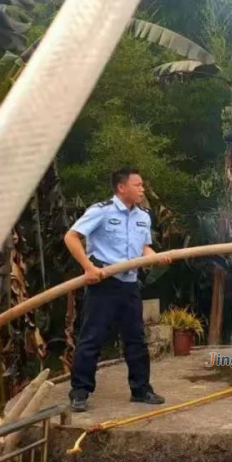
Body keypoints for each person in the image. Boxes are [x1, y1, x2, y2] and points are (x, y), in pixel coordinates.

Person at [63, 167, 171, 412]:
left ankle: (141, 389)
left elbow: (144, 248)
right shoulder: (101, 211)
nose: (142, 189)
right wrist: (89, 268)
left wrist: (156, 257)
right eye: (138, 185)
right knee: (92, 338)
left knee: (136, 339)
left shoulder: (143, 216)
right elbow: (71, 237)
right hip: (103, 283)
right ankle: (80, 391)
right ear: (122, 187)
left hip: (130, 284)